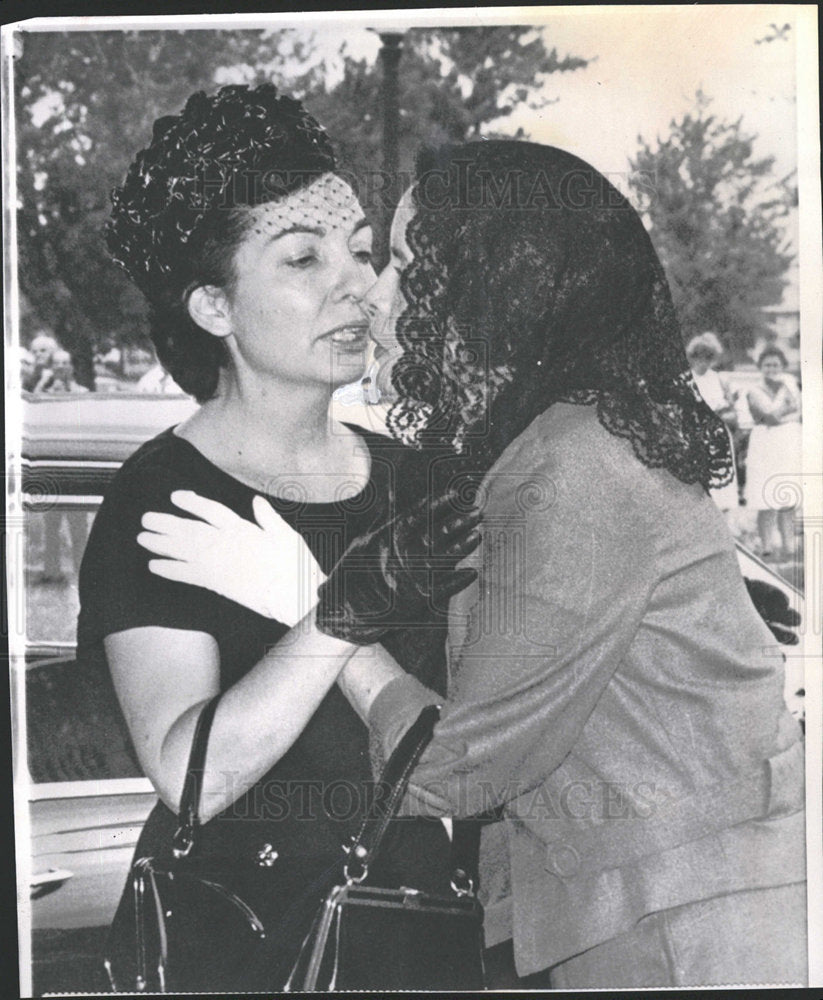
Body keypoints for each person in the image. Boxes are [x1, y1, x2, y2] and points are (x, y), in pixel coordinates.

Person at [136, 143, 806, 989]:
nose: (374, 293)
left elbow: (456, 771)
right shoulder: (551, 438)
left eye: (405, 262)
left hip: (685, 919)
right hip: (661, 900)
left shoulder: (569, 461)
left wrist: (317, 603)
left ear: (492, 287)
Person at [80, 84, 478, 993]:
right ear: (213, 308)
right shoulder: (161, 498)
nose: (355, 286)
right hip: (247, 944)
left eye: (364, 254)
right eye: (302, 259)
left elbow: (470, 740)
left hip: (423, 936)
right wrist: (333, 617)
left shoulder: (423, 481)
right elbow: (191, 775)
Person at [744, 346, 803, 559]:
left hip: (787, 443)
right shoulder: (754, 390)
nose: (772, 369)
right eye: (767, 365)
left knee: (788, 497)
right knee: (765, 496)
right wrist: (785, 410)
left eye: (776, 365)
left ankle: (789, 546)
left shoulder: (791, 386)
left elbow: (799, 413)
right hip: (764, 444)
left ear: (783, 366)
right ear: (760, 367)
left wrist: (784, 412)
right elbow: (768, 417)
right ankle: (767, 546)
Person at [685, 332, 739, 520]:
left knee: (722, 489)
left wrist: (722, 414)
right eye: (698, 356)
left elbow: (733, 413)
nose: (703, 361)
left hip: (719, 436)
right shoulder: (685, 379)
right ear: (692, 357)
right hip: (696, 436)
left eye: (708, 357)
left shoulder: (720, 380)